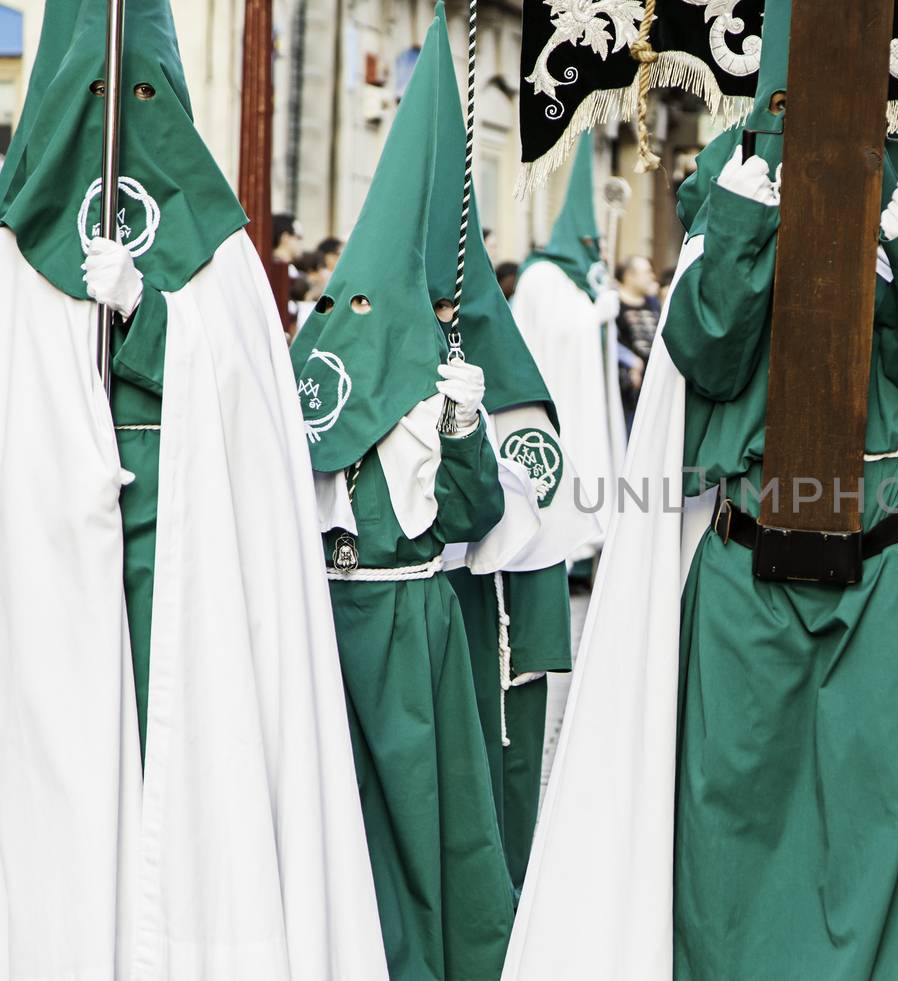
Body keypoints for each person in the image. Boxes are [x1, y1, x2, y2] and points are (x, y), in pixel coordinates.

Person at [501, 2, 898, 977]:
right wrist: (753, 229)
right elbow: (706, 356)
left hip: (883, 575)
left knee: (877, 826)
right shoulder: (730, 192)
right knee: (729, 831)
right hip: (743, 568)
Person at [0, 0, 386, 974]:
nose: (115, 121)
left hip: (186, 558)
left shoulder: (220, 267)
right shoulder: (12, 259)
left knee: (188, 781)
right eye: (93, 95)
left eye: (136, 95)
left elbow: (253, 415)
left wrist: (154, 315)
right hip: (49, 571)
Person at [288, 8, 538, 975]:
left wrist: (467, 428)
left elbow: (473, 517)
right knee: (337, 814)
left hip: (413, 617)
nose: (443, 320)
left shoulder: (444, 382)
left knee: (433, 818)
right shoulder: (320, 354)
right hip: (327, 615)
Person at [509, 132, 624, 574]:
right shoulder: (542, 275)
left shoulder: (576, 278)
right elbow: (561, 330)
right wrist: (596, 314)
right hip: (555, 390)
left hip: (582, 394)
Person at [614, 253, 661, 422]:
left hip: (652, 384)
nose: (652, 276)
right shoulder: (613, 304)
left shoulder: (653, 304)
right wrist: (630, 362)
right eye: (647, 272)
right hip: (626, 390)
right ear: (630, 275)